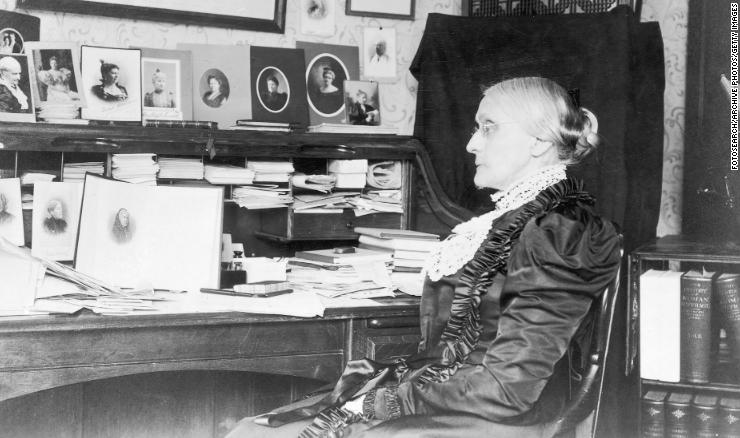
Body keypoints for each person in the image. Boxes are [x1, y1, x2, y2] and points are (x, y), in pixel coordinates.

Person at [227, 76, 622, 437]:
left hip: (498, 417)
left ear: (539, 141)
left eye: (489, 128)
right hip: (457, 399)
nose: (472, 143)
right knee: (254, 429)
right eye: (475, 128)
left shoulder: (560, 229)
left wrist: (387, 400)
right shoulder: (512, 220)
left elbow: (509, 387)